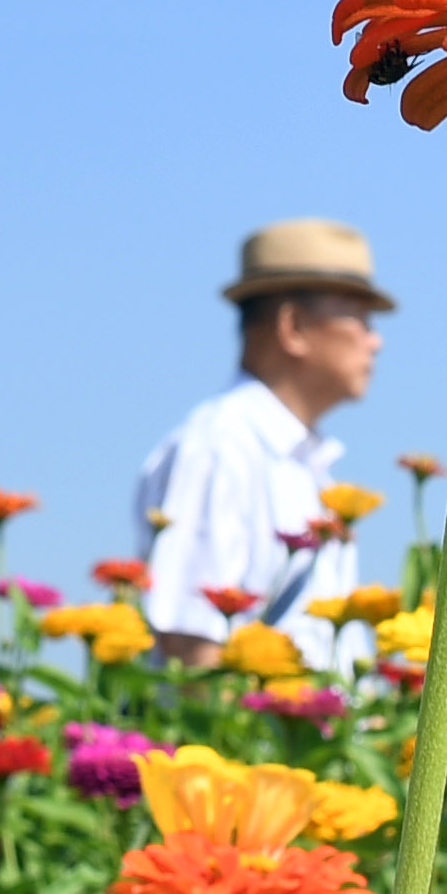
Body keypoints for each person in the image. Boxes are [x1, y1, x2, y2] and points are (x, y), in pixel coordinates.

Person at [132, 220, 391, 669]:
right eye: (359, 319)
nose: (376, 341)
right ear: (293, 328)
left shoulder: (306, 462)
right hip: (251, 733)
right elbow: (192, 642)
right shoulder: (220, 446)